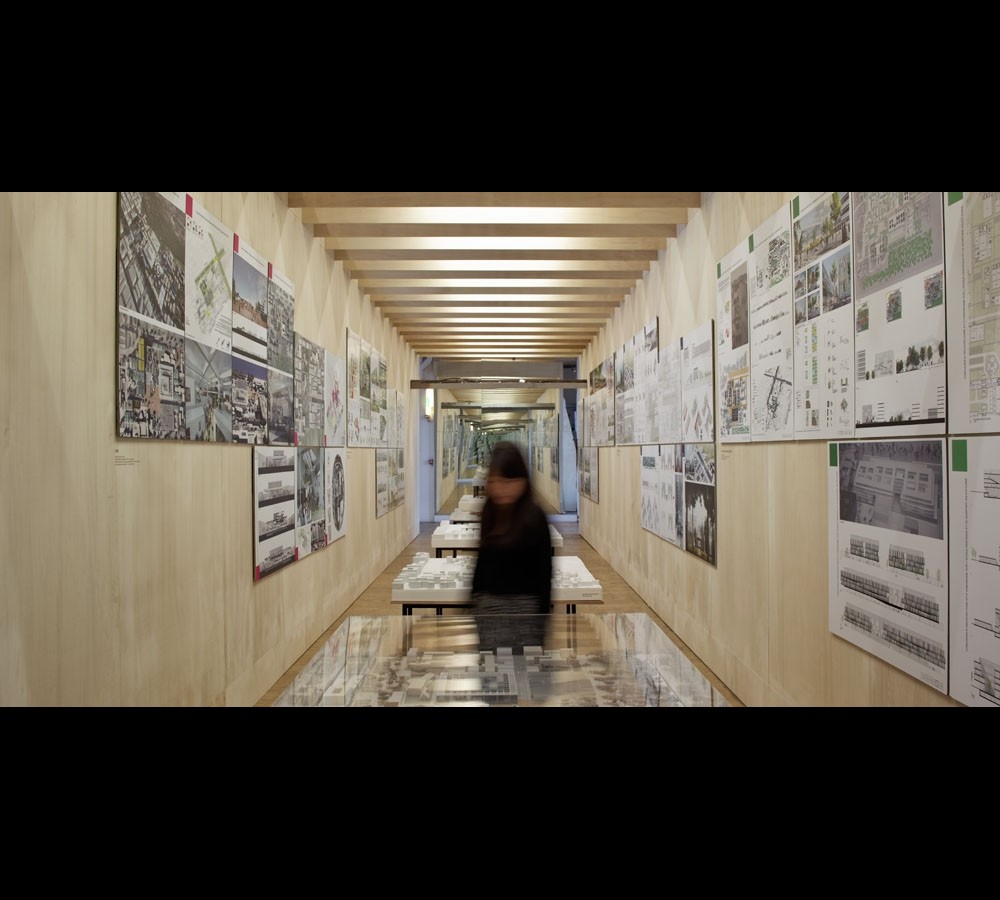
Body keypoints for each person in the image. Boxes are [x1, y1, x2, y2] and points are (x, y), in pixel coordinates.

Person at [470, 441, 552, 654]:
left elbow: (544, 577)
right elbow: (481, 563)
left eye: (508, 480)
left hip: (523, 615)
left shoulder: (534, 518)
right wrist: (473, 601)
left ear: (523, 481)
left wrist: (541, 629)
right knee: (491, 677)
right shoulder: (489, 512)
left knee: (524, 679)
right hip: (488, 613)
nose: (500, 488)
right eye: (495, 481)